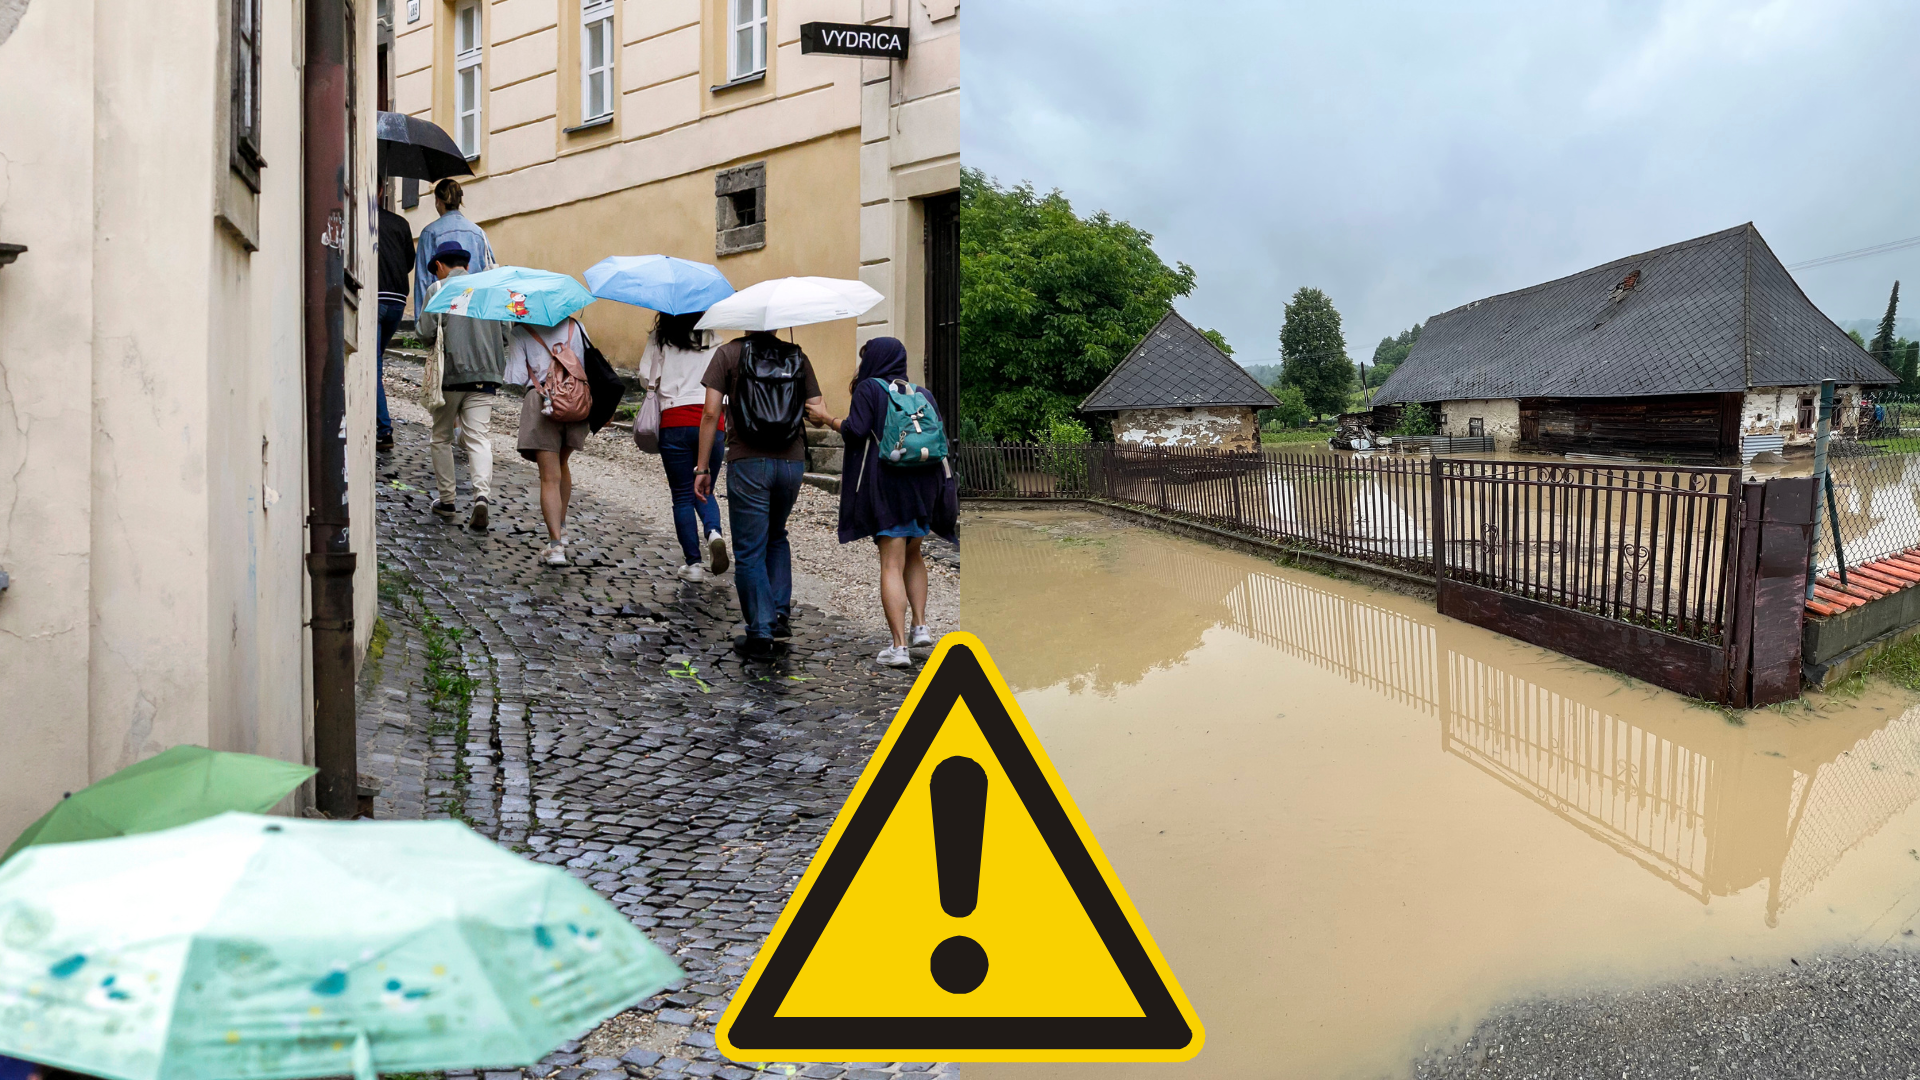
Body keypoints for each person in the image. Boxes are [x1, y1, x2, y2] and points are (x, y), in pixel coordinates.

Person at [810, 337, 958, 667]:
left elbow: (856, 432)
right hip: (925, 485)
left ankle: (899, 647)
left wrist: (827, 418)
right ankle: (920, 627)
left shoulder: (870, 390)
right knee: (914, 552)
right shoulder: (921, 393)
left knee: (891, 561)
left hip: (889, 484)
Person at [693, 329, 826, 659]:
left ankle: (761, 633)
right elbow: (818, 413)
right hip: (791, 462)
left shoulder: (728, 354)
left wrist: (702, 467)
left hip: (749, 460)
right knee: (776, 535)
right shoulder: (797, 355)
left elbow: (710, 413)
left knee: (750, 549)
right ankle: (780, 617)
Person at [417, 241, 510, 531]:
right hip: (486, 375)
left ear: (441, 266)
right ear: (466, 265)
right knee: (478, 437)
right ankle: (481, 496)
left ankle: (447, 500)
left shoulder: (439, 290)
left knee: (441, 436)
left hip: (451, 376)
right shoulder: (490, 291)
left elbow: (424, 332)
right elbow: (506, 333)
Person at [639, 311, 729, 582]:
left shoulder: (660, 338)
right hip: (713, 421)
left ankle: (693, 565)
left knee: (681, 495)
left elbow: (646, 377)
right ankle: (714, 532)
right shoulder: (714, 337)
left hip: (675, 421)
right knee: (706, 486)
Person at [506, 314, 594, 566]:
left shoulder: (520, 331)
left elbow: (515, 375)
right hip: (576, 401)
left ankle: (555, 546)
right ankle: (563, 529)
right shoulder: (576, 325)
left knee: (549, 475)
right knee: (562, 464)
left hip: (542, 401)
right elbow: (586, 364)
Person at [413, 178, 494, 317]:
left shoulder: (429, 233)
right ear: (459, 201)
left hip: (443, 309)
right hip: (474, 311)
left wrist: (421, 322)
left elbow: (423, 281)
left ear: (438, 200)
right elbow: (490, 274)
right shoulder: (479, 233)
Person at [375, 203, 415, 452]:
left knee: (373, 363)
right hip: (398, 299)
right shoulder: (401, 223)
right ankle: (380, 424)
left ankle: (383, 429)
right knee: (375, 359)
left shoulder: (360, 215)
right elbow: (408, 262)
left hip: (375, 295)